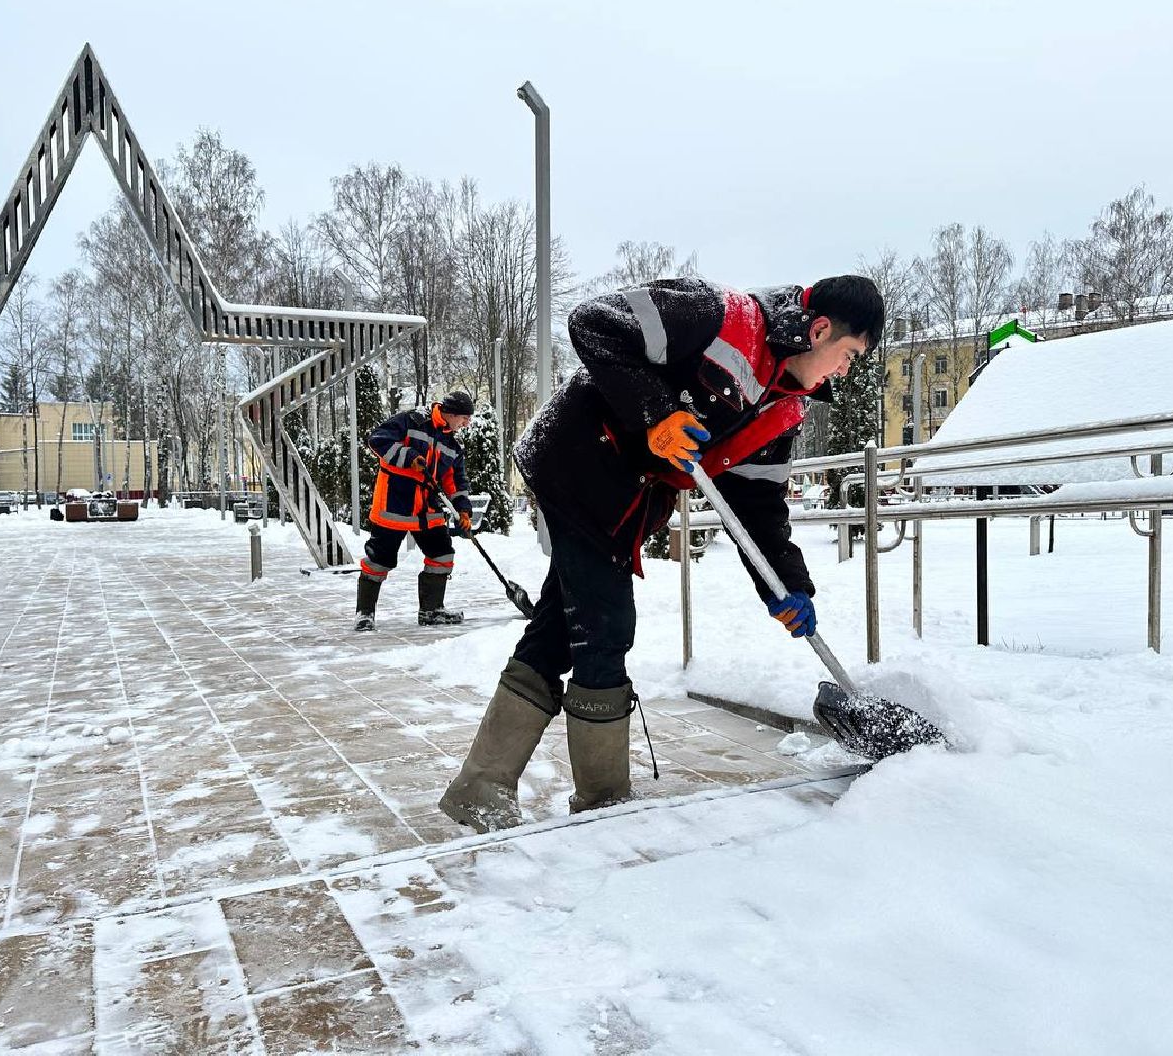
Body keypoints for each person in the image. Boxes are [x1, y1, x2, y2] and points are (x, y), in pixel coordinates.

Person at [440, 275, 884, 832]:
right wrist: (657, 412)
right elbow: (596, 322)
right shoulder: (723, 316)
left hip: (624, 503)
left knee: (558, 629)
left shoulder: (784, 411)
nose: (844, 371)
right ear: (819, 330)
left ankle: (480, 788)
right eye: (848, 355)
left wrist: (788, 586)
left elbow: (759, 511)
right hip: (577, 463)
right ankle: (603, 805)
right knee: (604, 625)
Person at [355, 391, 476, 631]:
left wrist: (463, 510)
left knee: (442, 555)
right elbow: (377, 439)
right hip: (395, 503)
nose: (466, 423)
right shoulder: (412, 421)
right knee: (379, 560)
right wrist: (408, 456)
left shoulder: (452, 444)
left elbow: (456, 482)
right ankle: (364, 614)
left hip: (427, 509)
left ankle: (431, 611)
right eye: (464, 418)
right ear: (451, 414)